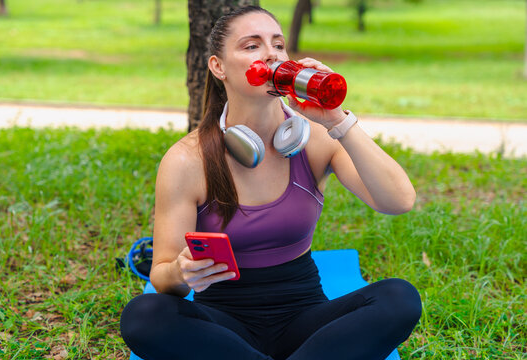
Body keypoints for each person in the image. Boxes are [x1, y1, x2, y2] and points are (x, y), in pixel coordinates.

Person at [120, 5, 421, 360]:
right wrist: (182, 271)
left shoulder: (315, 140)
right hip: (223, 326)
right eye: (252, 46)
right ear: (219, 67)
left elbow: (398, 200)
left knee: (399, 298)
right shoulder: (188, 159)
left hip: (306, 321)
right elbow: (163, 278)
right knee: (143, 316)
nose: (271, 54)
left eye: (278, 44)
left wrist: (336, 119)